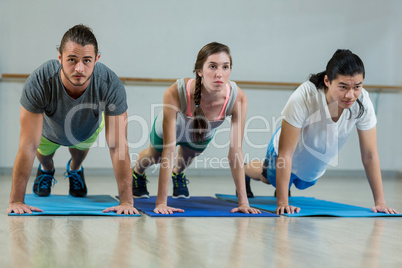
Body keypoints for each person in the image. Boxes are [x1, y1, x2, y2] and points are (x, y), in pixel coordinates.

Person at [244, 49, 398, 215]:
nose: (350, 95)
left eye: (357, 87)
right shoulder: (304, 96)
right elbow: (285, 153)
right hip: (284, 151)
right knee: (268, 177)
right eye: (343, 87)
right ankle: (244, 169)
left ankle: (285, 183)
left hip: (313, 163)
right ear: (327, 81)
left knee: (304, 183)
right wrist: (283, 202)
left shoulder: (363, 102)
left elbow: (370, 155)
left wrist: (380, 202)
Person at [7, 24, 138, 215]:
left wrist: (126, 202)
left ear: (96, 59)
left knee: (78, 155)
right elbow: (28, 146)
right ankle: (46, 169)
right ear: (59, 57)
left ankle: (75, 169)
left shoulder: (109, 84)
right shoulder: (40, 82)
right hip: (48, 129)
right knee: (44, 156)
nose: (79, 68)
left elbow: (118, 146)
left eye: (86, 60)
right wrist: (16, 201)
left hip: (86, 128)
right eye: (71, 59)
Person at [132, 42, 260, 214]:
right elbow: (169, 150)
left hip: (201, 131)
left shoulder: (238, 99)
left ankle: (178, 174)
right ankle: (137, 173)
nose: (219, 74)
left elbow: (235, 151)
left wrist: (244, 203)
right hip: (173, 126)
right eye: (212, 66)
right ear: (200, 71)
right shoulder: (176, 92)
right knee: (155, 156)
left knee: (187, 156)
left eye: (225, 67)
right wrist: (161, 202)